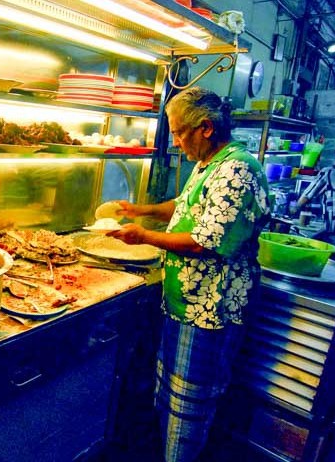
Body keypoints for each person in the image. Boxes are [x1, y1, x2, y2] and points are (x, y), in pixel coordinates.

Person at [107, 87, 271, 462]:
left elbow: (206, 241)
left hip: (210, 309)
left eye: (180, 133)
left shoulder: (238, 169)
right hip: (186, 303)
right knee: (174, 396)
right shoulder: (208, 165)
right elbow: (184, 208)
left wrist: (145, 237)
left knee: (192, 403)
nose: (177, 142)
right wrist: (139, 210)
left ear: (206, 128)